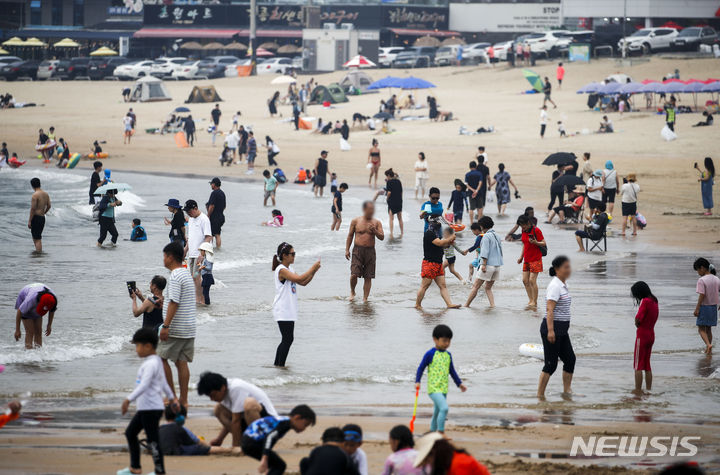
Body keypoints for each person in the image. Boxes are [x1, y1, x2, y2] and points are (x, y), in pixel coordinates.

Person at [118, 327, 178, 475]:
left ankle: (159, 471)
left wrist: (128, 399)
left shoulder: (151, 364)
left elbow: (144, 385)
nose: (136, 349)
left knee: (153, 440)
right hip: (147, 408)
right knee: (131, 433)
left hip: (150, 409)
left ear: (148, 346)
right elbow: (163, 382)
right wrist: (172, 399)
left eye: (138, 345)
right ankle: (135, 467)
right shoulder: (156, 361)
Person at [159, 241, 197, 408]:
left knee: (161, 359)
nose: (163, 259)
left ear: (170, 257)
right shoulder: (185, 273)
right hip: (188, 327)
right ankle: (184, 400)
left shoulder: (174, 276)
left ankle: (172, 397)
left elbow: (174, 302)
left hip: (176, 328)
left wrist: (166, 326)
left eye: (164, 256)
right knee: (181, 363)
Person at [272, 242, 321, 367]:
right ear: (284, 255)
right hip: (282, 309)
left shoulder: (290, 269)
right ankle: (279, 365)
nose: (294, 256)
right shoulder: (281, 270)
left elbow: (303, 282)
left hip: (289, 309)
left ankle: (278, 365)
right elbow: (299, 279)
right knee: (287, 339)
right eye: (292, 254)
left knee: (287, 339)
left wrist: (314, 272)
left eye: (295, 254)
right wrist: (312, 268)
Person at [197, 372, 279, 447]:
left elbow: (236, 420)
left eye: (213, 395)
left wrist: (235, 446)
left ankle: (258, 443)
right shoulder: (225, 393)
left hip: (270, 426)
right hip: (250, 424)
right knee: (218, 409)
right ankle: (246, 442)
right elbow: (232, 419)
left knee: (249, 404)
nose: (212, 399)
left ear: (222, 388)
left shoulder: (236, 387)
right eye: (209, 396)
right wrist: (220, 439)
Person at [415, 325, 467, 433]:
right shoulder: (430, 354)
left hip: (443, 388)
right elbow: (421, 368)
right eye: (444, 341)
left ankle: (432, 431)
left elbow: (452, 371)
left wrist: (459, 384)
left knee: (437, 412)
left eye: (449, 341)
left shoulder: (448, 355)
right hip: (433, 389)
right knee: (444, 408)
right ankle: (440, 433)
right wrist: (417, 381)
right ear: (435, 339)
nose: (447, 343)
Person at [537, 256, 575, 400]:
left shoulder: (563, 284)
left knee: (570, 359)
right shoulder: (555, 286)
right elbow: (549, 310)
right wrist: (551, 331)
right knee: (551, 364)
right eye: (566, 267)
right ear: (557, 269)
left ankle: (567, 391)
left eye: (569, 266)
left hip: (562, 329)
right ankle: (540, 395)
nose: (569, 269)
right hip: (553, 328)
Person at [242, 405, 316, 475]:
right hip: (253, 443)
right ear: (297, 417)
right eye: (305, 425)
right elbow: (270, 437)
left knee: (276, 465)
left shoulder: (283, 419)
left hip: (248, 441)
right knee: (280, 466)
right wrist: (265, 458)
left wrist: (267, 459)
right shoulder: (285, 423)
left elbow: (271, 440)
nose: (304, 429)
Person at [416, 219, 461, 309]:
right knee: (425, 285)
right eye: (438, 226)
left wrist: (449, 242)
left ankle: (449, 304)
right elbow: (439, 243)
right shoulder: (429, 233)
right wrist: (450, 238)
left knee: (443, 285)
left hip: (438, 263)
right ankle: (417, 304)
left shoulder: (436, 235)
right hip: (430, 263)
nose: (439, 228)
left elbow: (442, 245)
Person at [159, 403, 236, 456]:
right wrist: (207, 446)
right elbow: (197, 441)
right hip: (176, 451)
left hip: (161, 450)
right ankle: (229, 450)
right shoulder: (181, 428)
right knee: (202, 448)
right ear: (181, 418)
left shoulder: (160, 428)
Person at [345, 201, 385, 302]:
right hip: (357, 250)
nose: (371, 211)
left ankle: (365, 298)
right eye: (369, 209)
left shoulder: (377, 222)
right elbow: (350, 235)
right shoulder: (355, 221)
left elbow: (382, 237)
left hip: (370, 252)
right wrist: (347, 249)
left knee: (368, 276)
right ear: (364, 209)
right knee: (354, 274)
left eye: (372, 209)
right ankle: (352, 291)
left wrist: (375, 231)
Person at [465, 216, 502, 308]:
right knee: (488, 288)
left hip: (488, 265)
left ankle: (466, 305)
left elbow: (484, 252)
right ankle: (492, 306)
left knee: (475, 287)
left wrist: (484, 265)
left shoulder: (486, 236)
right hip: (497, 266)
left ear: (482, 226)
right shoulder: (497, 235)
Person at [413, 433, 490, 475]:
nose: (428, 463)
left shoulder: (459, 463)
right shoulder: (448, 463)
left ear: (434, 453)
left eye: (427, 459)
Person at [631, 281, 658, 395]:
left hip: (642, 335)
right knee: (647, 364)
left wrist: (636, 323)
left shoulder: (645, 302)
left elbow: (638, 318)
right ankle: (648, 389)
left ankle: (637, 390)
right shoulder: (654, 301)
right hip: (651, 334)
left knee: (637, 365)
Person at [184, 200, 212, 304]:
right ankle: (197, 299)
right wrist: (185, 250)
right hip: (191, 254)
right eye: (187, 212)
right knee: (193, 278)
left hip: (199, 255)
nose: (188, 214)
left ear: (195, 208)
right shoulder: (191, 219)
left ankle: (201, 300)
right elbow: (190, 238)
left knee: (196, 277)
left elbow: (209, 237)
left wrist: (202, 253)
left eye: (189, 211)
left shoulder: (204, 219)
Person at [14, 283, 57, 349]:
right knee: (30, 331)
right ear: (39, 303)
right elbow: (19, 311)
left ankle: (38, 353)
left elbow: (52, 310)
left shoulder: (53, 300)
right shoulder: (30, 300)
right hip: (24, 295)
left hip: (39, 296)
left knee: (38, 331)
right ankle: (29, 354)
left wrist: (49, 325)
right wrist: (17, 330)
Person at [517, 215, 545, 309]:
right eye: (521, 226)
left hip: (536, 258)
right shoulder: (523, 231)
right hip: (527, 259)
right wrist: (521, 257)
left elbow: (544, 243)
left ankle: (535, 301)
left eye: (523, 225)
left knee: (532, 280)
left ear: (528, 223)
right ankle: (530, 299)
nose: (522, 228)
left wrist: (536, 243)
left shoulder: (536, 230)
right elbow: (525, 244)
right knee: (525, 280)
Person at [693, 258, 719, 355]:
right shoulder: (716, 279)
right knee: (708, 329)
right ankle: (709, 347)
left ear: (702, 268)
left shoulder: (701, 280)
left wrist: (697, 308)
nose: (698, 273)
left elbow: (702, 295)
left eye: (698, 270)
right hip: (713, 307)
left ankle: (708, 345)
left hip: (704, 306)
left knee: (700, 329)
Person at [28, 177, 50, 253]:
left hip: (36, 218)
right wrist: (44, 212)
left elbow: (33, 209)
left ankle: (38, 256)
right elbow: (49, 205)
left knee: (37, 239)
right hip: (42, 218)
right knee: (38, 237)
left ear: (32, 185)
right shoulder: (46, 194)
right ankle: (39, 255)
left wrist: (30, 221)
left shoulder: (35, 195)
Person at [206, 178, 226, 249]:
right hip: (221, 216)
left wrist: (208, 215)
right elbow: (224, 207)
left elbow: (212, 206)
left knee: (210, 234)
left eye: (211, 184)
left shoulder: (214, 193)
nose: (211, 185)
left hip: (214, 217)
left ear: (214, 184)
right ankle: (218, 249)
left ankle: (209, 249)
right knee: (217, 234)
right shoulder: (222, 193)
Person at [384, 169, 404, 238]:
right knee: (400, 218)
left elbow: (389, 192)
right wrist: (401, 199)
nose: (386, 178)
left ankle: (391, 233)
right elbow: (401, 192)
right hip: (399, 201)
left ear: (389, 175)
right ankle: (402, 233)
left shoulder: (389, 182)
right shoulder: (399, 181)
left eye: (386, 176)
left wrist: (387, 198)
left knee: (391, 218)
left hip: (392, 201)